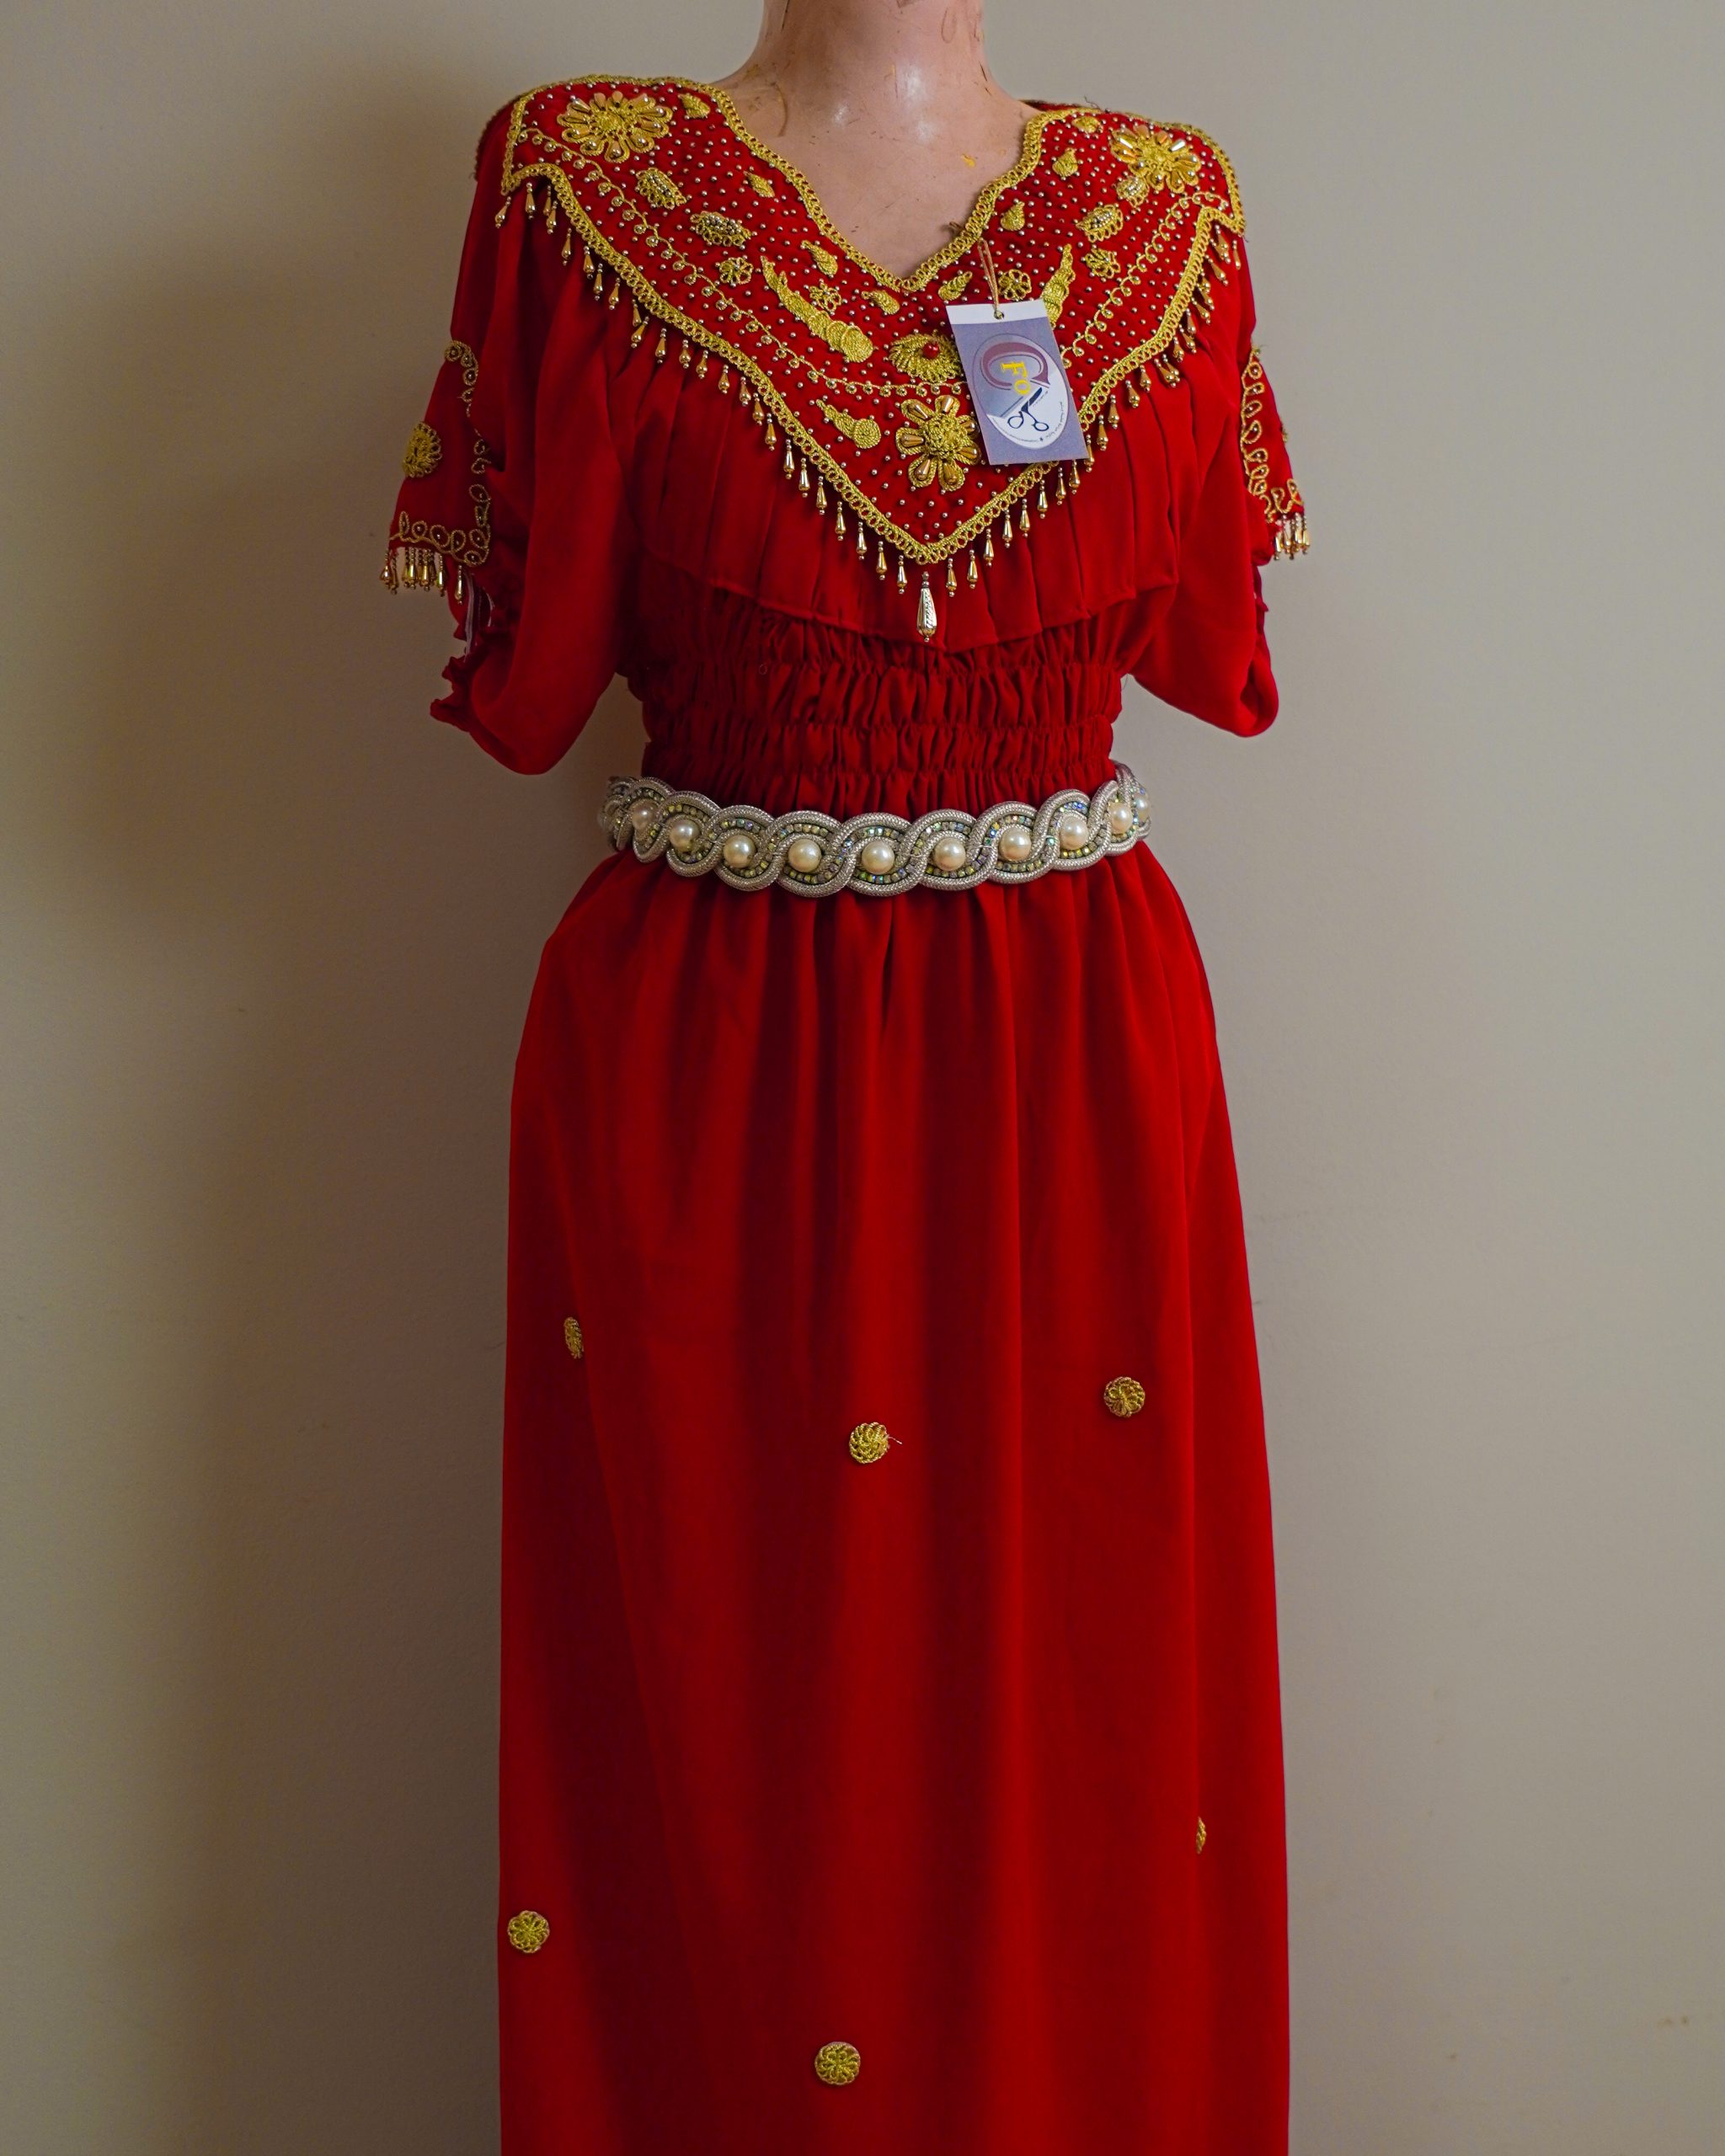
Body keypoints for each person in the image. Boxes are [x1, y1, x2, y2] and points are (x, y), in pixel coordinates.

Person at [383, 3, 1307, 2148]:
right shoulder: (581, 184)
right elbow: (532, 682)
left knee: (1085, 1711)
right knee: (741, 1725)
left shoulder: (1163, 206)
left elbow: (1204, 642)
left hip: (1068, 1054)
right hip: (719, 1060)